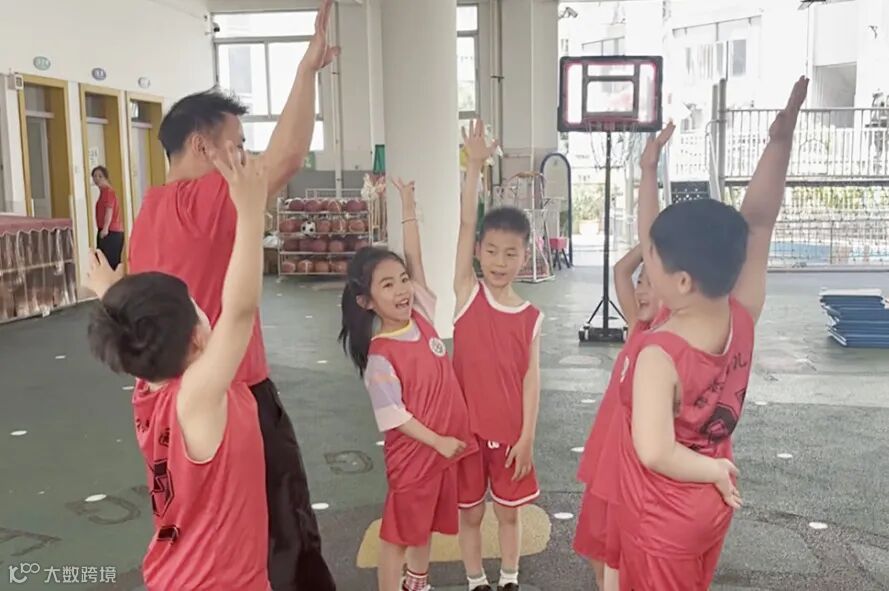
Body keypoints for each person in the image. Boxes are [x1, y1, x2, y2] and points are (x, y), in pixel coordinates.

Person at [126, 2, 340, 589]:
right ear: (203, 147)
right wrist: (306, 70)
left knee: (215, 529)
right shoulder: (202, 200)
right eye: (238, 145)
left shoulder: (147, 214)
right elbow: (288, 158)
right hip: (233, 396)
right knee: (285, 530)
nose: (245, 158)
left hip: (177, 409)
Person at [616, 76, 809, 591]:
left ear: (680, 281)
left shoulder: (660, 352)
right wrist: (780, 143)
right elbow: (759, 223)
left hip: (665, 511)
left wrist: (713, 473)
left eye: (652, 257)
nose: (645, 256)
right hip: (708, 509)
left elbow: (655, 451)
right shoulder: (740, 314)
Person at [85, 143, 270, 590]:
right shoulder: (198, 396)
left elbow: (132, 330)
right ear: (197, 337)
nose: (206, 310)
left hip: (177, 576)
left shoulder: (148, 383)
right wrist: (250, 214)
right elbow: (240, 311)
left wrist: (109, 292)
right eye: (196, 306)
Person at [338, 178, 477, 591]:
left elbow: (415, 259)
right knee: (398, 536)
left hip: (441, 451)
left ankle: (417, 583)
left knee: (423, 526)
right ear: (366, 302)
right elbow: (395, 416)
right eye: (388, 285)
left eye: (402, 280)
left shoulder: (422, 316)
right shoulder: (381, 355)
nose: (402, 289)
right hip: (416, 458)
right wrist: (437, 441)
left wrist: (409, 207)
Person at [453, 119, 542, 591]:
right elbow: (467, 222)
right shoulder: (467, 293)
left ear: (525, 256)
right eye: (491, 251)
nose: (500, 262)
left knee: (509, 515)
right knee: (470, 516)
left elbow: (531, 380)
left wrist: (527, 437)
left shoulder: (531, 317)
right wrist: (474, 167)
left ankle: (509, 578)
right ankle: (475, 580)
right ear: (478, 252)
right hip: (464, 434)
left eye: (510, 253)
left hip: (510, 436)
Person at [573, 243, 660, 591]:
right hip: (605, 459)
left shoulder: (668, 342)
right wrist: (654, 238)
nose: (641, 290)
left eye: (652, 284)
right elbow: (621, 270)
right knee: (597, 551)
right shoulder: (638, 326)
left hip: (632, 468)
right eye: (641, 282)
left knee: (624, 561)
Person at [92, 165, 124, 269]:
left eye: (100, 176)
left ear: (106, 178)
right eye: (95, 176)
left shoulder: (108, 192)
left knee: (109, 263)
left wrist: (105, 228)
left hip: (111, 232)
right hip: (107, 231)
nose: (97, 179)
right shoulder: (103, 192)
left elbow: (109, 210)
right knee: (104, 261)